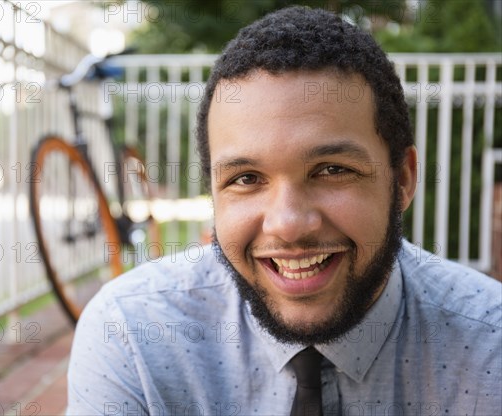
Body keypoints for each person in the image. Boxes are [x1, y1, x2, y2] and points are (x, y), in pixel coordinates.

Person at [67, 6, 501, 415]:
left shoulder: (488, 347)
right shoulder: (133, 334)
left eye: (332, 170)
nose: (288, 225)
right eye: (246, 178)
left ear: (403, 180)